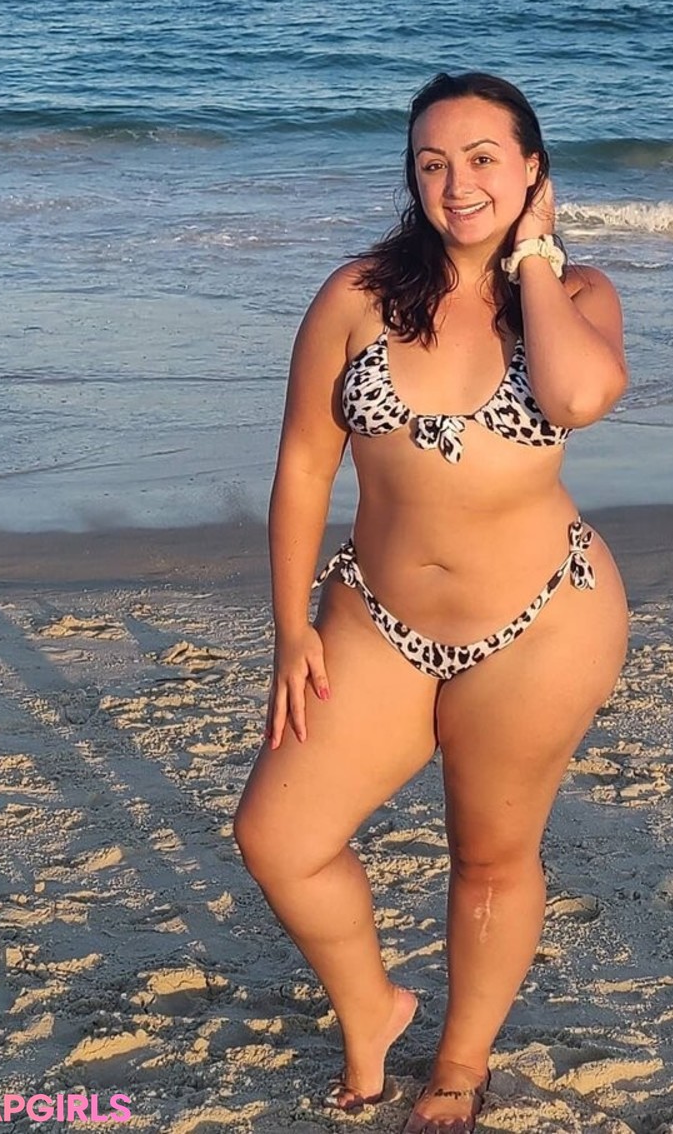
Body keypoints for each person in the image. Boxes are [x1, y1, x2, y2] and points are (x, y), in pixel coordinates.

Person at [233, 71, 629, 1134]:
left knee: (490, 856)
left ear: (533, 168)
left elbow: (577, 396)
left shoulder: (579, 297)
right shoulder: (357, 294)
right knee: (278, 835)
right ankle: (372, 1005)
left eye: (485, 158)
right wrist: (289, 626)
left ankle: (458, 1067)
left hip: (541, 621)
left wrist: (535, 256)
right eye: (433, 162)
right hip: (376, 618)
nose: (458, 184)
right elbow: (304, 468)